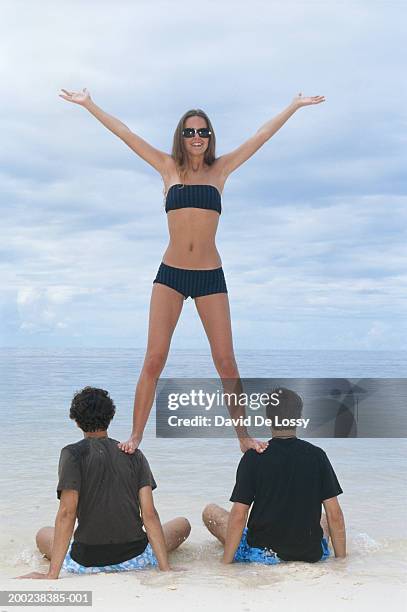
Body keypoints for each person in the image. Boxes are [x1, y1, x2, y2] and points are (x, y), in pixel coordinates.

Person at [58, 89, 325, 455]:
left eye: (202, 132)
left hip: (209, 276)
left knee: (226, 361)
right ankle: (135, 436)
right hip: (170, 274)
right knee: (154, 359)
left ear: (210, 137)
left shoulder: (221, 170)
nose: (196, 138)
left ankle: (244, 437)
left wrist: (293, 106)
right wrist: (89, 105)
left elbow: (261, 136)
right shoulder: (168, 168)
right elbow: (125, 134)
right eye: (189, 132)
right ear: (180, 137)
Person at [17, 387, 190, 579]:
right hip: (136, 557)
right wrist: (165, 569)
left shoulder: (72, 454)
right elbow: (149, 514)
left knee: (43, 534)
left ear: (76, 420)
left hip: (86, 561)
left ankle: (61, 564)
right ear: (110, 416)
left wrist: (52, 574)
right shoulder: (133, 454)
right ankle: (156, 560)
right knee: (183, 524)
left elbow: (67, 513)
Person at [202, 387, 346, 565]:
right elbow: (335, 515)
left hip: (263, 553)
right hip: (309, 553)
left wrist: (226, 563)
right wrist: (341, 561)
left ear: (268, 419)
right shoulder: (318, 456)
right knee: (324, 518)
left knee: (211, 512)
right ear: (299, 418)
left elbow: (240, 515)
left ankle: (237, 551)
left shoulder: (254, 456)